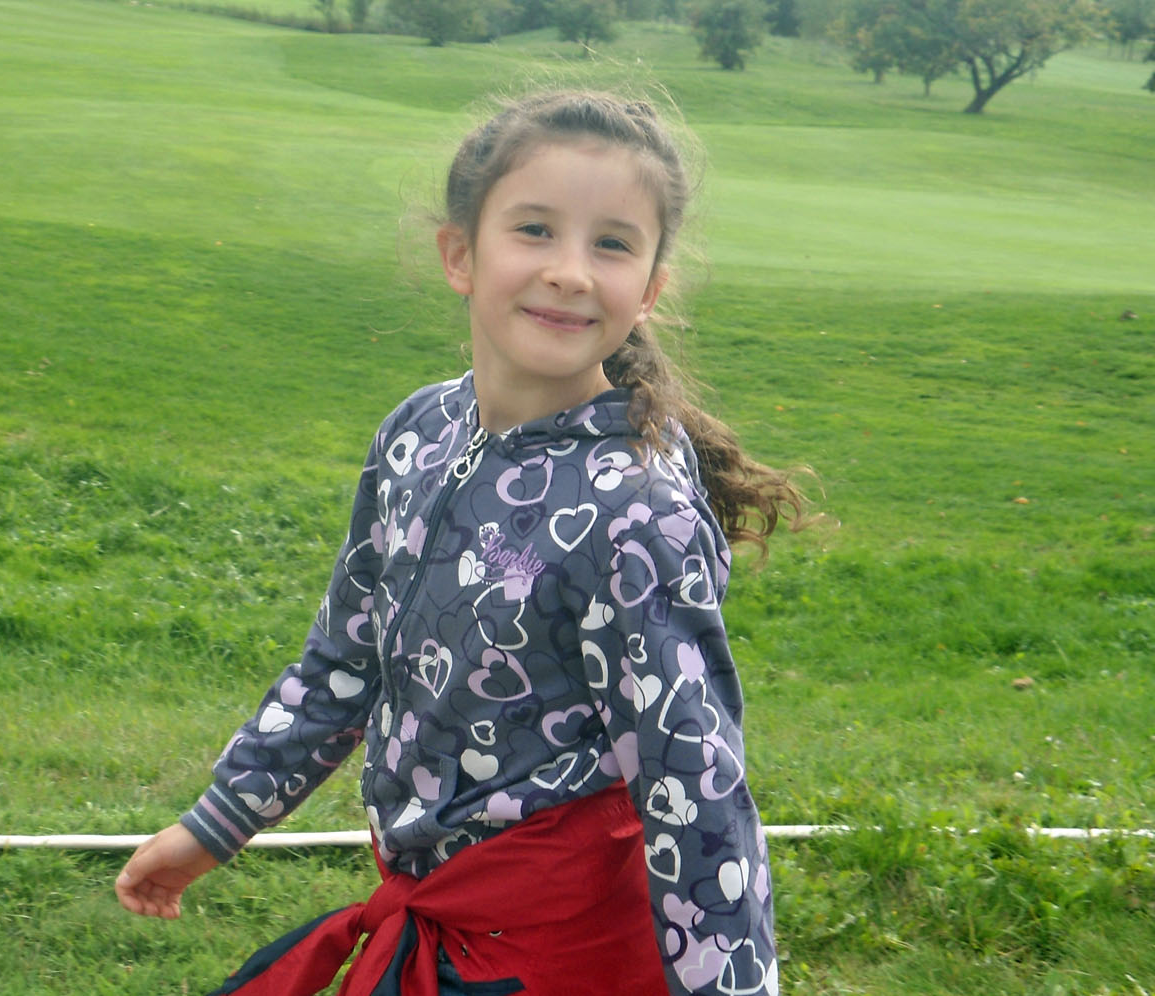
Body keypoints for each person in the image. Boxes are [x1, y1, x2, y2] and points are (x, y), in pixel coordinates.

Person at [117, 89, 808, 996]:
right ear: (460, 255)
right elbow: (344, 662)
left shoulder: (637, 514)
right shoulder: (417, 434)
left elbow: (695, 789)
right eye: (534, 229)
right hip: (437, 922)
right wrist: (215, 826)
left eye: (611, 244)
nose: (570, 271)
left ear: (649, 290)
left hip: (560, 954)